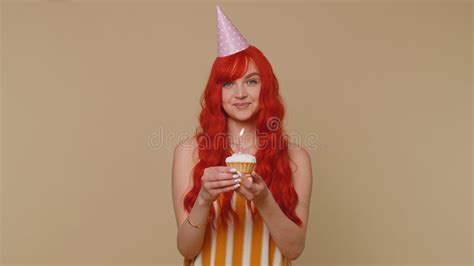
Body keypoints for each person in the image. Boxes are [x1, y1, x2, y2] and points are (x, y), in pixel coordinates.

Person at [172, 5, 313, 266]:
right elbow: (187, 249)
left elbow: (293, 249)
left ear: (266, 87)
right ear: (217, 91)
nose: (240, 94)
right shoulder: (188, 152)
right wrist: (203, 199)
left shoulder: (296, 158)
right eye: (228, 83)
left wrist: (264, 199)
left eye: (251, 81)